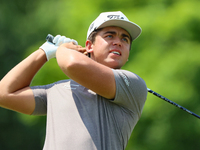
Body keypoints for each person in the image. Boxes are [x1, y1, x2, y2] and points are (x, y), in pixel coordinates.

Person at [0, 11, 147, 150]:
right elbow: (5, 94)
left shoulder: (133, 84)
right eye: (110, 36)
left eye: (124, 39)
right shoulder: (57, 90)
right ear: (89, 46)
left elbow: (71, 64)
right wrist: (44, 52)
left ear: (128, 54)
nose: (118, 42)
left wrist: (62, 49)